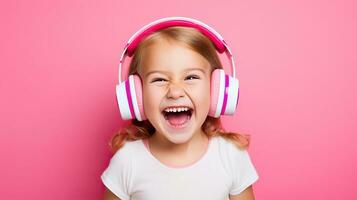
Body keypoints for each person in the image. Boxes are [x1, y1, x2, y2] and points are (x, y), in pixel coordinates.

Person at [101, 17, 259, 200]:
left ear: (215, 88)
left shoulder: (231, 156)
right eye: (159, 79)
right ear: (136, 95)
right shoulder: (127, 162)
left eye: (191, 77)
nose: (175, 92)